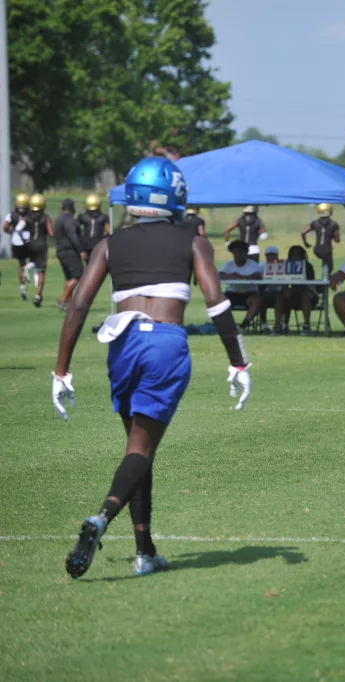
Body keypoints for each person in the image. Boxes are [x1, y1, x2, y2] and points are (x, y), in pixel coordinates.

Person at [54, 156, 252, 579]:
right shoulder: (194, 241)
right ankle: (101, 518)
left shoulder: (110, 244)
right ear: (173, 196)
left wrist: (61, 370)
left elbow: (79, 304)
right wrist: (238, 361)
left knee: (137, 450)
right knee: (141, 451)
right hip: (164, 342)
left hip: (122, 343)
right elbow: (217, 303)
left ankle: (145, 552)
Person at [273, 245, 317, 336]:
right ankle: (278, 325)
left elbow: (309, 285)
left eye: (298, 255)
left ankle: (306, 325)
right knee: (281, 295)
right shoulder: (286, 266)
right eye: (293, 255)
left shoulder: (308, 266)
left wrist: (294, 290)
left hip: (308, 295)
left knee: (304, 295)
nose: (295, 257)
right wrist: (286, 290)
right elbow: (284, 282)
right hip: (291, 296)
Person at [53, 199, 87, 312]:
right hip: (69, 251)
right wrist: (81, 250)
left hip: (60, 251)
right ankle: (62, 300)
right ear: (72, 208)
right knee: (79, 274)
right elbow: (72, 235)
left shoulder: (58, 219)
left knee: (68, 278)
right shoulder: (69, 220)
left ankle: (69, 304)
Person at [219, 240, 263, 327]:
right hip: (231, 294)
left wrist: (242, 277)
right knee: (218, 299)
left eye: (240, 253)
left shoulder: (253, 264)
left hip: (249, 294)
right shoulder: (228, 265)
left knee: (258, 300)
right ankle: (226, 325)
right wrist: (231, 276)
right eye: (235, 254)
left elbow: (257, 276)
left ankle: (244, 324)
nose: (238, 256)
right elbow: (220, 276)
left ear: (246, 254)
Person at [23, 194, 53, 308]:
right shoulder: (46, 217)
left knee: (35, 265)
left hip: (30, 244)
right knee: (41, 271)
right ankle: (38, 295)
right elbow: (51, 233)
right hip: (41, 245)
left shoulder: (27, 217)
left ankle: (27, 267)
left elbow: (19, 228)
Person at [2, 193, 31, 300]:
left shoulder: (11, 215)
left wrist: (13, 232)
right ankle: (27, 269)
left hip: (16, 242)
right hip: (28, 241)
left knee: (21, 264)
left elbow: (5, 227)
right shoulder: (30, 215)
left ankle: (23, 289)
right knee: (36, 260)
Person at [301, 203, 340, 277]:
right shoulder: (333, 224)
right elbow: (337, 240)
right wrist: (331, 235)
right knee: (329, 267)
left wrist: (306, 243)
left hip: (317, 250)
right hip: (327, 250)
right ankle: (324, 281)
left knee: (325, 264)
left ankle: (322, 276)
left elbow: (303, 233)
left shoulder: (315, 223)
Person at [78, 194, 111, 263]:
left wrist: (82, 238)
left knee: (88, 264)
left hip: (86, 244)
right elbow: (108, 231)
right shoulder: (103, 217)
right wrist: (102, 236)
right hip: (98, 243)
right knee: (97, 263)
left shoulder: (82, 217)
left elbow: (76, 229)